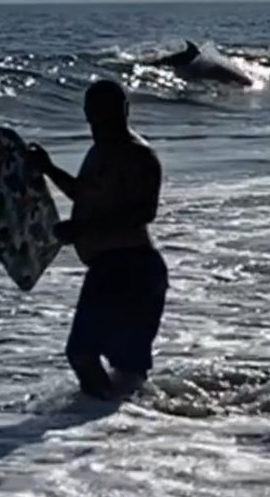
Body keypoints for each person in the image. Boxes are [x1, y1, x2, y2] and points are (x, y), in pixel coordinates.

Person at [29, 79, 167, 398]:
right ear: (87, 114)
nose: (101, 122)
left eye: (109, 114)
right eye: (96, 115)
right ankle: (117, 430)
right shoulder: (99, 151)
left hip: (131, 268)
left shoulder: (138, 154)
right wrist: (48, 169)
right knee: (121, 369)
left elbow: (144, 212)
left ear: (126, 111)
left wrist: (83, 230)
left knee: (86, 354)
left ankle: (104, 423)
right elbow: (85, 195)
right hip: (112, 267)